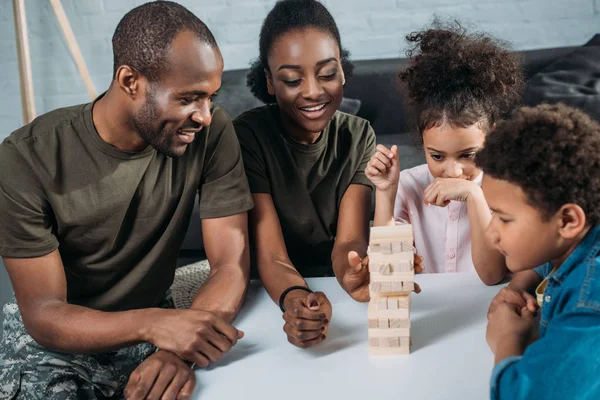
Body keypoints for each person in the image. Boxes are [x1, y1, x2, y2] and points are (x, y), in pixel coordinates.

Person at [0, 2, 253, 399]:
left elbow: (230, 263)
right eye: (189, 98)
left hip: (154, 328)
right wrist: (157, 326)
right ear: (130, 80)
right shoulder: (26, 158)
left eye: (210, 97)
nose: (204, 115)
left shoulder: (210, 131)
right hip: (57, 340)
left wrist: (176, 349)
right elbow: (45, 314)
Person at [234, 0, 375, 349]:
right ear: (270, 82)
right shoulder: (248, 137)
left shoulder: (359, 136)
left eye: (327, 73)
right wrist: (297, 297)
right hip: (268, 293)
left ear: (343, 70)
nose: (313, 91)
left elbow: (349, 242)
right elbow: (271, 255)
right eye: (293, 79)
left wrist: (352, 275)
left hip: (334, 284)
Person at [365, 22, 523, 284]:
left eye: (468, 155)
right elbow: (385, 268)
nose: (453, 171)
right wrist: (385, 192)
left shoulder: (505, 188)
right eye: (437, 156)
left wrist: (474, 196)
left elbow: (491, 275)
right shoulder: (409, 185)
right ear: (423, 140)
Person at [478, 104, 600, 399]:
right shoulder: (580, 241)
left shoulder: (588, 305)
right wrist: (519, 286)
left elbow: (520, 394)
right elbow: (550, 260)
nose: (490, 232)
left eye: (503, 218)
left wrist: (507, 338)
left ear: (568, 220)